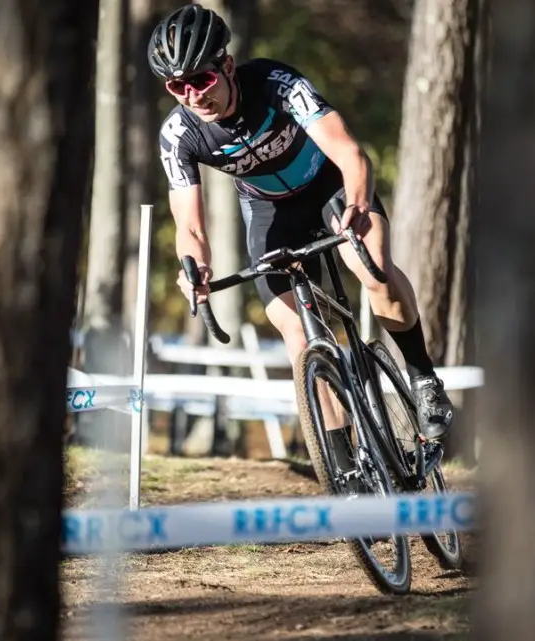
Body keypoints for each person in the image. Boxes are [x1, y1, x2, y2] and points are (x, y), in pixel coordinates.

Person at [148, 4, 454, 447]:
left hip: (328, 188)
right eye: (178, 86)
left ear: (227, 66)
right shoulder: (178, 135)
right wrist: (194, 271)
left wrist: (357, 202)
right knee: (294, 329)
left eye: (202, 80)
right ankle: (337, 454)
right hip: (269, 212)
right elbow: (190, 227)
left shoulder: (277, 85)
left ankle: (423, 377)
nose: (193, 95)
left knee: (374, 270)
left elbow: (349, 153)